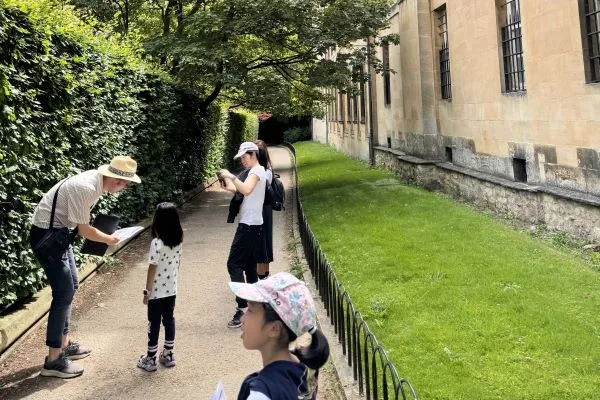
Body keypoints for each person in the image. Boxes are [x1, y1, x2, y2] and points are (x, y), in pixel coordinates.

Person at [29, 156, 141, 378]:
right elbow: (84, 230)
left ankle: (64, 344)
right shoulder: (87, 187)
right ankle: (53, 361)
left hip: (58, 234)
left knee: (72, 286)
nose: (124, 187)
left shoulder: (96, 183)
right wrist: (109, 239)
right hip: (48, 237)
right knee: (64, 293)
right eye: (123, 182)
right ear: (114, 178)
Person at [229, 272, 330, 400]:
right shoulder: (304, 370)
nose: (243, 318)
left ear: (274, 329)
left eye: (250, 309)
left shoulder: (262, 393)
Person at [218, 142, 267, 328]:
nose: (242, 161)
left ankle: (244, 308)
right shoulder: (253, 172)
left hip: (249, 226)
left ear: (253, 154)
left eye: (244, 157)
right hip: (253, 225)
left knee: (234, 264)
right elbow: (242, 190)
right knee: (248, 267)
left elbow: (246, 189)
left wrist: (231, 175)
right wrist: (228, 185)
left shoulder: (257, 171)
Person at [137, 202, 184, 372]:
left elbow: (152, 268)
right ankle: (168, 354)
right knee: (169, 319)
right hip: (171, 289)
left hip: (156, 292)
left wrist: (147, 291)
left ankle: (150, 358)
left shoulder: (157, 243)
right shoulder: (178, 239)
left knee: (154, 323)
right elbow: (177, 263)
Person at [254, 140, 273, 280]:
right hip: (266, 209)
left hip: (259, 210)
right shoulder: (268, 171)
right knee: (265, 241)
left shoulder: (259, 173)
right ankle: (265, 274)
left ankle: (260, 277)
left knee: (259, 243)